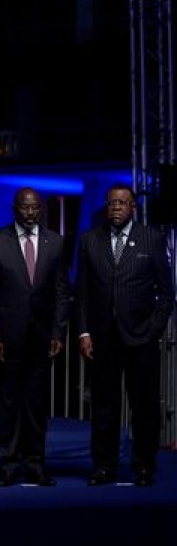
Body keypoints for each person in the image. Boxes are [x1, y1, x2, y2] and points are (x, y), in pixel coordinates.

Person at [75, 184, 174, 487]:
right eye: (112, 203)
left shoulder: (151, 238)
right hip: (103, 338)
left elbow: (166, 294)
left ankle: (144, 467)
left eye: (122, 203)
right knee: (104, 407)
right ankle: (104, 466)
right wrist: (84, 331)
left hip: (141, 338)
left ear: (133, 207)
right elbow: (82, 292)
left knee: (144, 406)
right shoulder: (90, 239)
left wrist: (153, 330)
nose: (116, 207)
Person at [0, 187, 70, 487]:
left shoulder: (55, 242)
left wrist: (58, 332)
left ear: (40, 209)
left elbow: (61, 290)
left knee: (36, 405)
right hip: (7, 339)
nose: (30, 213)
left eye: (35, 208)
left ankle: (35, 465)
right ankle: (8, 464)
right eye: (24, 207)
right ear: (15, 209)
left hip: (42, 338)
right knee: (8, 404)